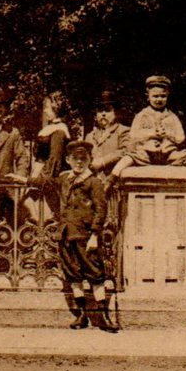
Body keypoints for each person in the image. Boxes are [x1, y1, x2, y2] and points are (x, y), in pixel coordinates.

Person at [52, 139, 117, 332]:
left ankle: (103, 316)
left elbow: (100, 210)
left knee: (95, 275)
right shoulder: (65, 179)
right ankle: (81, 315)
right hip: (66, 235)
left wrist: (95, 235)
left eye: (83, 158)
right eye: (75, 158)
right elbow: (46, 182)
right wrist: (25, 180)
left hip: (85, 236)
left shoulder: (94, 182)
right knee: (74, 275)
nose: (79, 162)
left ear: (89, 160)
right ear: (68, 160)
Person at [111, 75, 186, 179]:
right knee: (129, 157)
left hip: (168, 154)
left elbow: (181, 137)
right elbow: (133, 135)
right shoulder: (142, 115)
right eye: (155, 96)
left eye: (163, 96)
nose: (159, 99)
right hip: (147, 153)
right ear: (148, 97)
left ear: (168, 96)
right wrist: (151, 134)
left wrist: (168, 135)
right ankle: (113, 177)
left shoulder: (172, 117)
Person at [84, 90, 129, 177]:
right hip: (93, 182)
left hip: (113, 181)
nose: (103, 114)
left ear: (116, 113)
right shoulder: (90, 136)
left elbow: (126, 151)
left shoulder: (123, 131)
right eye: (100, 111)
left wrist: (103, 161)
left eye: (108, 110)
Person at [33, 91, 71, 182]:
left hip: (50, 177)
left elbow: (54, 161)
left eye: (47, 108)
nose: (44, 111)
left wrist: (39, 179)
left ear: (56, 108)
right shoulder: (49, 128)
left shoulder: (60, 131)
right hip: (40, 172)